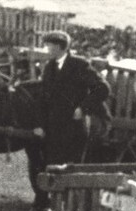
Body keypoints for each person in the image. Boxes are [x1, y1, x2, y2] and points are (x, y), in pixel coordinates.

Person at [35, 30, 110, 166]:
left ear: (59, 46)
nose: (47, 49)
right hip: (53, 130)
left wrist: (83, 109)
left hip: (74, 129)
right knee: (52, 170)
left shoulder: (79, 65)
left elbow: (103, 88)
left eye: (49, 45)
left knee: (71, 170)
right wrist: (40, 125)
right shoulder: (49, 68)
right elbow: (43, 98)